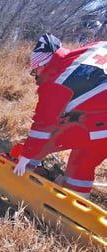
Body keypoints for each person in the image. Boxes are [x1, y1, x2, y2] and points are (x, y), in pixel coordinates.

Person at [14, 33, 107, 198]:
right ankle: (79, 206)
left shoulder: (55, 80)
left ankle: (69, 202)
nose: (36, 78)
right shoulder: (93, 48)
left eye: (34, 72)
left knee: (74, 154)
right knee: (88, 152)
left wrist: (26, 156)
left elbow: (43, 127)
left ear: (41, 66)